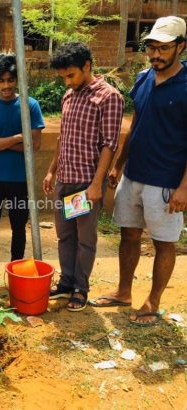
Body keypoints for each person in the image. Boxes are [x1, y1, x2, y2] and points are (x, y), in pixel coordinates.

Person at [90, 16, 187, 325]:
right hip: (133, 175)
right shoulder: (144, 78)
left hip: (166, 181)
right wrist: (119, 164)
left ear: (181, 47)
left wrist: (184, 188)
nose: (156, 54)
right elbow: (135, 125)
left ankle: (153, 301)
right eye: (151, 48)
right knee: (128, 235)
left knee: (163, 242)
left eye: (164, 48)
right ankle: (123, 291)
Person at [43, 42, 124, 312]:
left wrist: (96, 183)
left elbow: (109, 144)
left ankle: (81, 288)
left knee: (85, 238)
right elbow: (62, 137)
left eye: (71, 75)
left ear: (87, 65)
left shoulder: (108, 97)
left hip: (86, 184)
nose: (67, 81)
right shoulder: (69, 96)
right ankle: (66, 282)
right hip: (66, 179)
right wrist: (52, 170)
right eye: (64, 77)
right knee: (65, 236)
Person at [0, 52, 45, 262]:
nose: (6, 86)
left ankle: (16, 268)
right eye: (1, 81)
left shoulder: (30, 105)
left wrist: (0, 142)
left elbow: (35, 145)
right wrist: (18, 137)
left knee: (19, 228)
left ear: (17, 80)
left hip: (20, 180)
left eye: (10, 80)